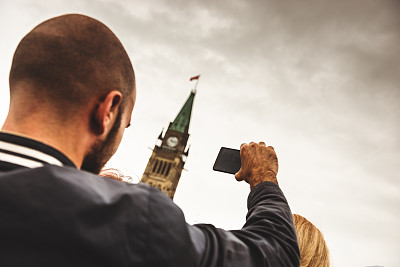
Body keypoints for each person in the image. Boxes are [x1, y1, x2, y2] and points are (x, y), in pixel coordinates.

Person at [0, 14, 300, 266]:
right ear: (107, 112)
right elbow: (272, 255)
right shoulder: (122, 217)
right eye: (125, 125)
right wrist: (263, 177)